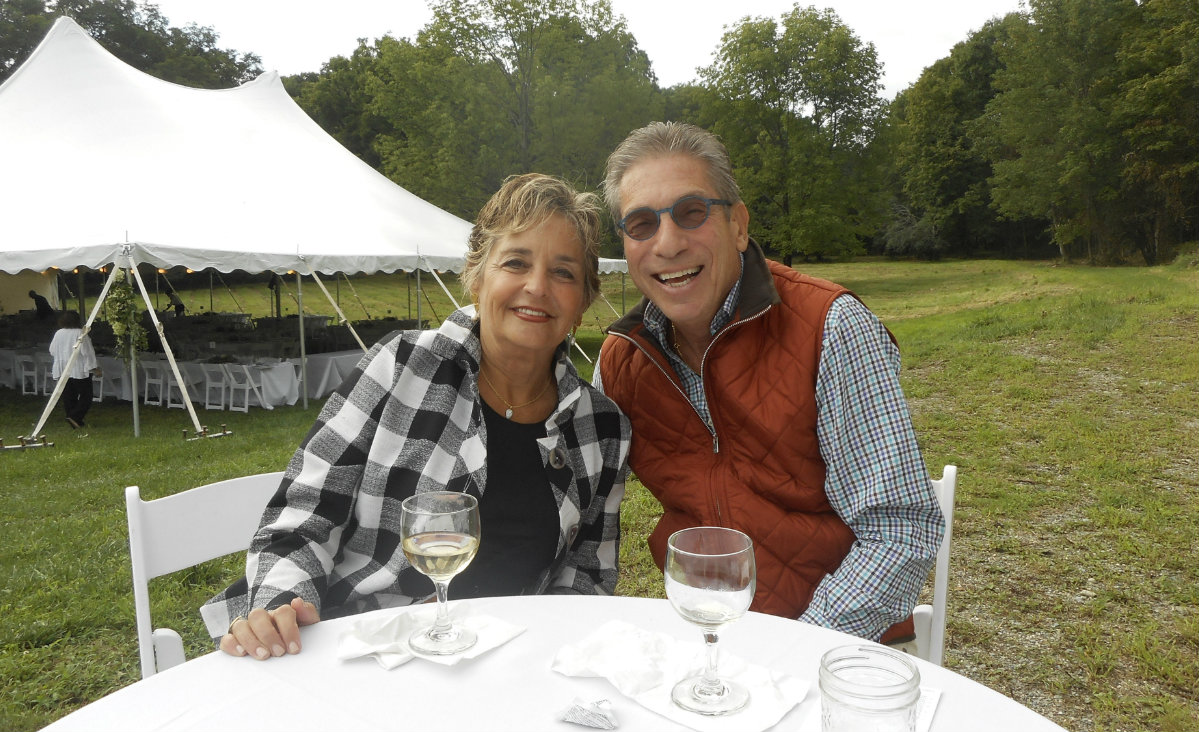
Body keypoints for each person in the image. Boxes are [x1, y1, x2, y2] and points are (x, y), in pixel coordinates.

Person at [201, 173, 631, 660]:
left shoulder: (602, 427)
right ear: (476, 273)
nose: (537, 287)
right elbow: (303, 515)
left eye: (564, 272)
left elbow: (586, 576)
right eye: (516, 262)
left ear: (584, 300)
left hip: (503, 661)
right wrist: (280, 606)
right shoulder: (401, 366)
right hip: (362, 648)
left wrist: (547, 661)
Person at [594, 121, 945, 647]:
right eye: (641, 224)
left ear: (738, 225)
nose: (666, 243)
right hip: (705, 642)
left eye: (691, 213)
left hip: (844, 648)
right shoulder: (623, 361)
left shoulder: (830, 326)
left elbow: (900, 528)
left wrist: (792, 652)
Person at [48, 310, 101, 429]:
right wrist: (94, 367)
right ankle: (75, 417)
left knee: (69, 395)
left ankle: (73, 418)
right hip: (78, 368)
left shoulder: (59, 333)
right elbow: (87, 352)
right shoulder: (80, 333)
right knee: (86, 396)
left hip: (63, 369)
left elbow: (52, 351)